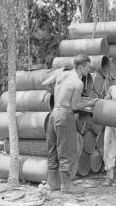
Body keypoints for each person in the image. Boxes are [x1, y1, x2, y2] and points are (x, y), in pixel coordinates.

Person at [42, 54, 98, 194]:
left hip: (53, 114)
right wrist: (90, 102)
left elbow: (45, 84)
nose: (88, 70)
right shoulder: (78, 83)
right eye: (87, 67)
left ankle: (52, 184)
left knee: (53, 150)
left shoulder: (62, 74)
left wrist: (57, 93)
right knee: (67, 151)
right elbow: (74, 105)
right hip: (65, 115)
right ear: (81, 66)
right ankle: (67, 187)